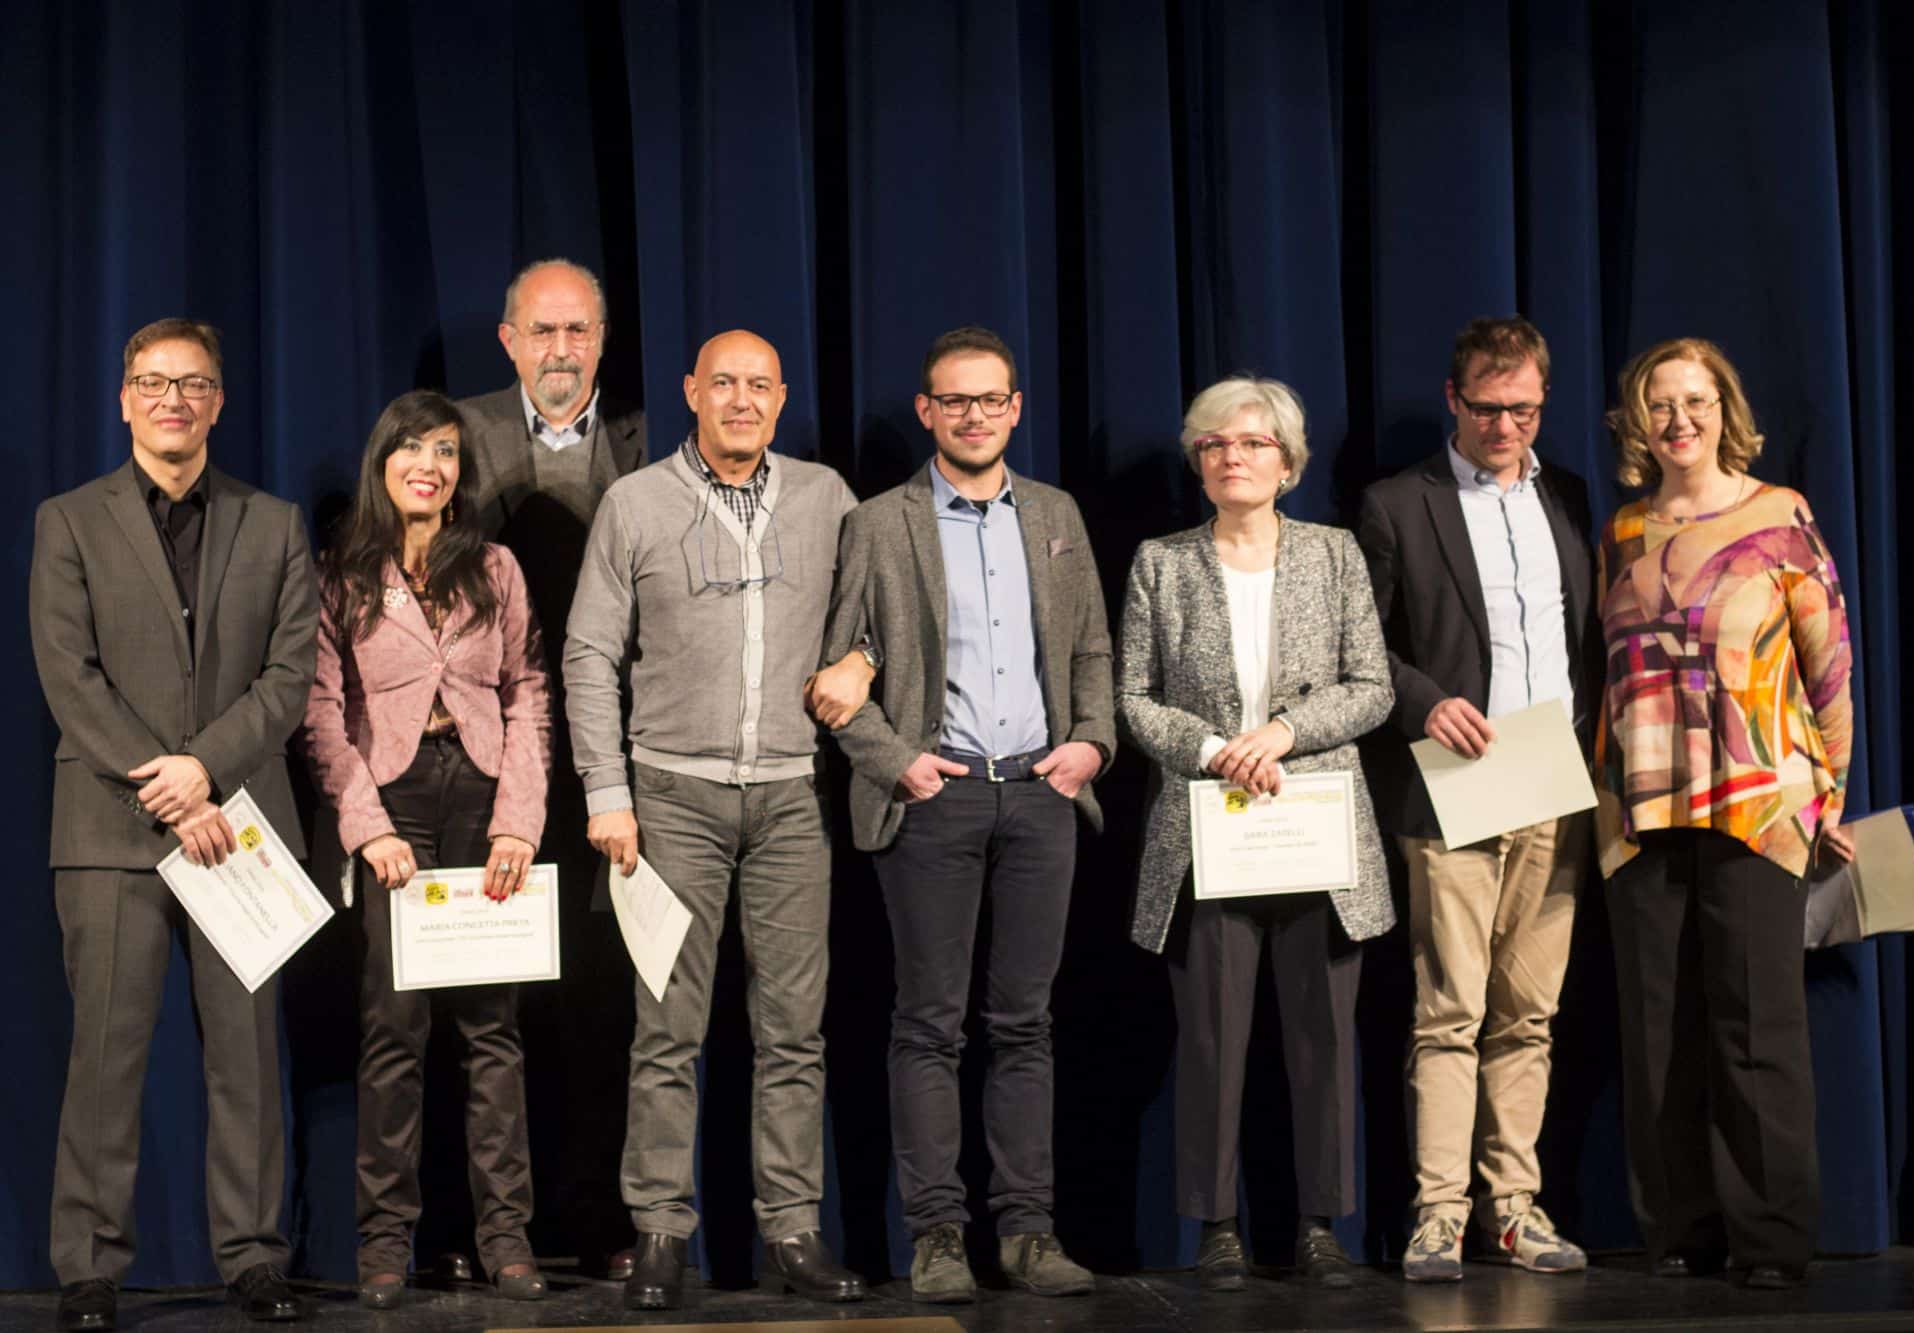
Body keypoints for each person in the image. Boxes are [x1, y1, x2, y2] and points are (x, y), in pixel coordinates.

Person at [565, 329, 873, 1310]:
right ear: (692, 392)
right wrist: (606, 794)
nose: (741, 400)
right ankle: (658, 1229)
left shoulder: (827, 499)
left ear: (780, 399)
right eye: (722, 384)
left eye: (759, 386)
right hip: (668, 801)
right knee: (667, 1029)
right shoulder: (635, 502)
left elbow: (872, 620)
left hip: (788, 796)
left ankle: (790, 1231)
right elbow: (585, 657)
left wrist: (861, 659)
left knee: (794, 1032)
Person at [813, 326, 1114, 1303]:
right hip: (933, 799)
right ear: (926, 410)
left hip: (1038, 794)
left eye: (991, 399)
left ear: (1015, 408)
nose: (974, 415)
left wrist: (1092, 744)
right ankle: (937, 1236)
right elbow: (832, 679)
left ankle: (1027, 1233)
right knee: (928, 1024)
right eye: (955, 400)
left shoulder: (1058, 516)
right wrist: (896, 762)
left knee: (1024, 1023)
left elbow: (1091, 657)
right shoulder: (877, 523)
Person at [30, 319, 318, 1329]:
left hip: (240, 830)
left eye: (192, 384)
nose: (172, 400)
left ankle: (251, 1255)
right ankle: (91, 1269)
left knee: (246, 1057)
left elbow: (290, 678)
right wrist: (166, 783)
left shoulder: (273, 523)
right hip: (113, 831)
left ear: (219, 401)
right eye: (153, 383)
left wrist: (207, 772)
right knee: (105, 1058)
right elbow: (69, 673)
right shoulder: (68, 520)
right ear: (123, 399)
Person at [1116, 375, 1394, 1293]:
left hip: (1316, 825)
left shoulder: (1335, 553)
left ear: (1288, 462)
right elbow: (1133, 699)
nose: (1233, 458)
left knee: (1322, 1039)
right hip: (1208, 828)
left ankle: (1318, 1225)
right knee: (1211, 1042)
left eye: (1253, 444)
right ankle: (1217, 1227)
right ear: (1198, 463)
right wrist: (1211, 749)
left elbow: (1372, 686)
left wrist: (1284, 732)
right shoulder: (1160, 561)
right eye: (1215, 445)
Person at [1595, 337, 1853, 1291]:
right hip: (1642, 809)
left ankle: (1773, 1238)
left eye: (1696, 401)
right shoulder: (1622, 529)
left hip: (1759, 804)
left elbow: (1830, 664)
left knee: (1757, 1028)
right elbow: (1606, 677)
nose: (1679, 420)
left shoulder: (1780, 516)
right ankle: (1680, 1227)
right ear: (1638, 420)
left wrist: (1830, 787)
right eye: (1660, 404)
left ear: (1724, 409)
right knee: (1659, 1032)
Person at [1353, 317, 1597, 1282]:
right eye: (1490, 409)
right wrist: (1425, 702)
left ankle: (1515, 1209)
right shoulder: (1396, 504)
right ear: (1454, 400)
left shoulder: (1570, 499)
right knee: (1447, 1011)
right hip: (1453, 783)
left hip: (1555, 783)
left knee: (1528, 1013)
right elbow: (1362, 646)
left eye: (1525, 409)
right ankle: (1438, 1214)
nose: (1507, 427)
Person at [297, 391, 552, 1309]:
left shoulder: (496, 566)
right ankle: (382, 1244)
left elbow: (527, 689)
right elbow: (322, 713)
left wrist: (520, 815)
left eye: (445, 451)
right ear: (382, 463)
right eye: (411, 448)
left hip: (483, 797)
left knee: (493, 1031)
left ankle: (507, 1238)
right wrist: (367, 828)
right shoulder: (343, 573)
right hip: (392, 800)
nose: (429, 465)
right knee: (393, 1031)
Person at [456, 258, 647, 1279]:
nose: (561, 351)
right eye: (542, 332)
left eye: (578, 332)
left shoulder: (651, 442)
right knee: (487, 1005)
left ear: (602, 341)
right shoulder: (453, 437)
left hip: (618, 770)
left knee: (605, 1002)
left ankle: (603, 1221)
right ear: (508, 340)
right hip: (492, 765)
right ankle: (486, 1230)